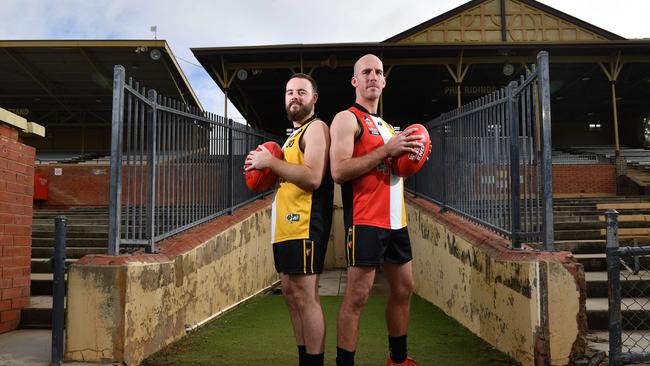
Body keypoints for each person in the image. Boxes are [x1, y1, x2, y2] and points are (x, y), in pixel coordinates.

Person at [329, 54, 423, 366]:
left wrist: (413, 156)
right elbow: (339, 171)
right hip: (366, 220)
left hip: (397, 220)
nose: (373, 76)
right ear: (355, 81)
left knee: (403, 288)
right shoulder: (346, 119)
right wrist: (388, 150)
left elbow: (396, 166)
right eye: (366, 72)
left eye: (378, 72)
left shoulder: (386, 126)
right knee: (358, 296)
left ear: (384, 81)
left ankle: (397, 360)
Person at [245, 73, 333, 366]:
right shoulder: (291, 138)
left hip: (305, 224)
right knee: (291, 296)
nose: (294, 97)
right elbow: (287, 174)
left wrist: (271, 163)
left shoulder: (317, 129)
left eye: (301, 92)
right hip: (283, 228)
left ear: (314, 98)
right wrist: (265, 170)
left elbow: (312, 177)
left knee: (307, 298)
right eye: (289, 92)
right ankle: (303, 359)